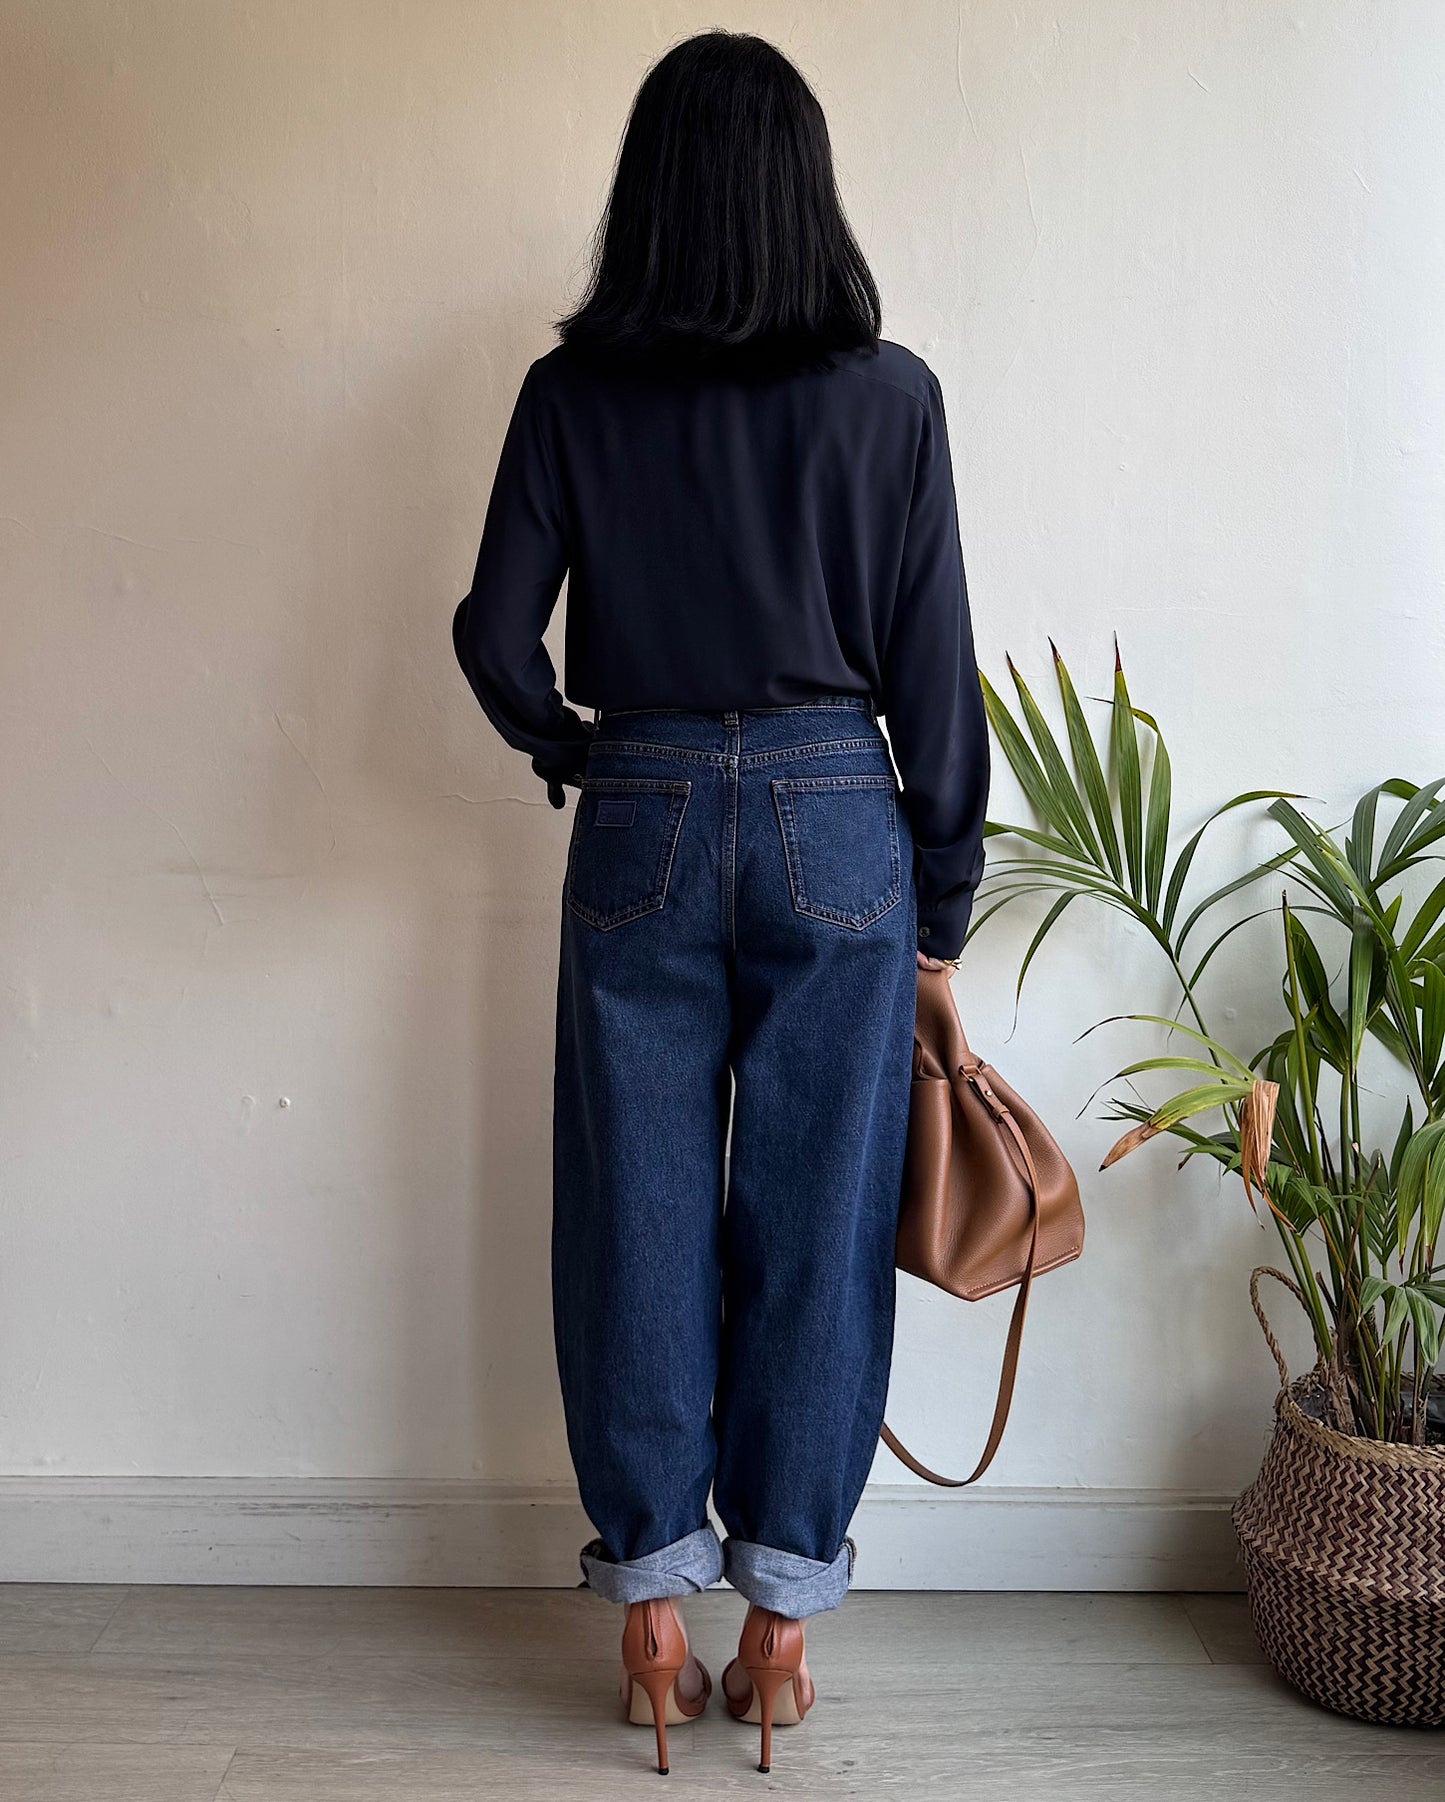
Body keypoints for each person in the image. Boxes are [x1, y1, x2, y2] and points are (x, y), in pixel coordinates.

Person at [452, 28, 988, 1777]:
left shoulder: (572, 394)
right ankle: (779, 1634)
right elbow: (935, 676)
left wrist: (576, 748)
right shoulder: (890, 397)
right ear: (803, 191)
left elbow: (492, 632)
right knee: (817, 1219)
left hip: (645, 800)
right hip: (840, 809)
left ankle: (648, 1621)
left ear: (651, 195)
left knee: (636, 1209)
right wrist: (940, 898)